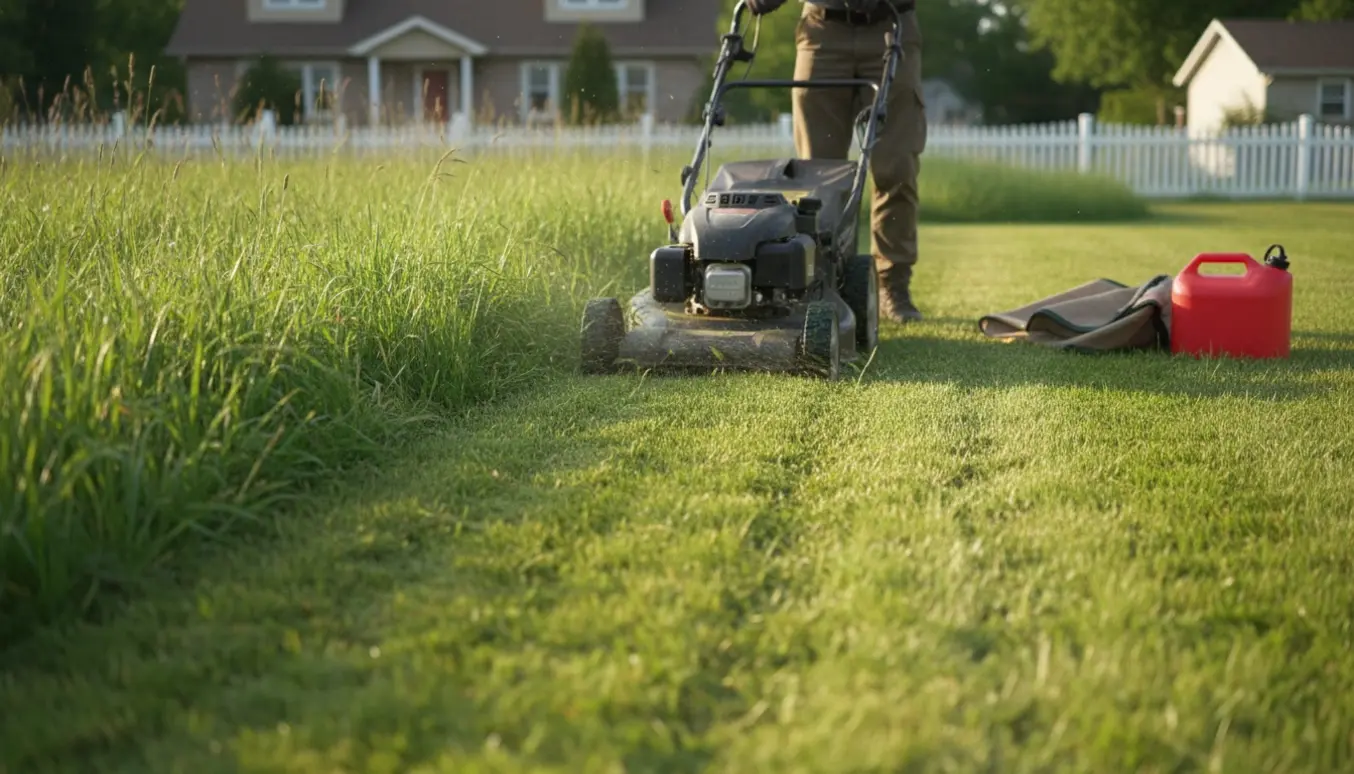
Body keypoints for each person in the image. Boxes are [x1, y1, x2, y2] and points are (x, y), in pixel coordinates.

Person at [744, 0, 926, 322]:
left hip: (890, 23)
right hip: (822, 30)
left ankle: (892, 284)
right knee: (818, 176)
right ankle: (820, 280)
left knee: (895, 167)